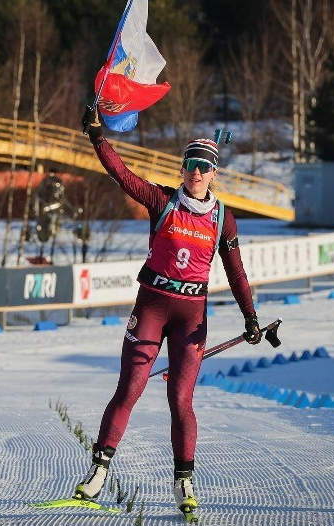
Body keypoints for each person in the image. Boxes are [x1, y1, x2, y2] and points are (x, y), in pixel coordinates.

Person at [74, 106, 261, 517]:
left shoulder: (223, 218)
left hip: (191, 316)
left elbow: (236, 272)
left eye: (203, 167)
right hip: (153, 306)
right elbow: (123, 175)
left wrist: (250, 316)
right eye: (190, 165)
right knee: (130, 389)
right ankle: (99, 472)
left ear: (214, 174)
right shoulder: (161, 199)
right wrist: (97, 137)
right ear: (183, 169)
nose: (195, 172)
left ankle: (184, 481)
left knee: (181, 400)